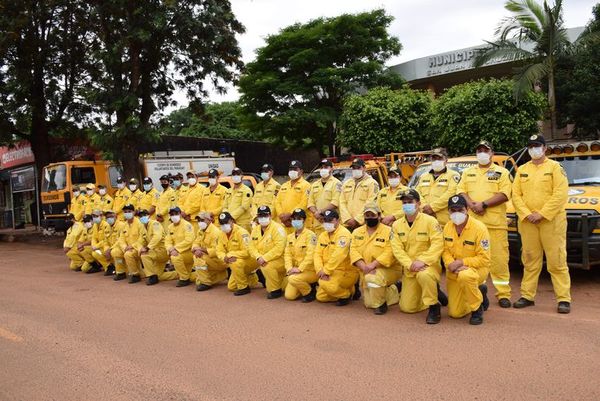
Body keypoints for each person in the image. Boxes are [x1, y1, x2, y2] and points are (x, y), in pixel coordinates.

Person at [512, 134, 571, 313]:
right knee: (529, 260)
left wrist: (543, 214)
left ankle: (563, 299)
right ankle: (527, 296)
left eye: (537, 146)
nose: (534, 149)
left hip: (551, 222)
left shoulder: (555, 168)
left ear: (545, 148)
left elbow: (560, 194)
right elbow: (516, 195)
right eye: (531, 146)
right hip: (528, 222)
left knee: (557, 261)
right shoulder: (522, 169)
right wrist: (527, 214)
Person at [457, 140, 512, 308]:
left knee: (499, 261)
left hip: (494, 224)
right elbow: (460, 191)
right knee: (474, 259)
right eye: (479, 150)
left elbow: (504, 194)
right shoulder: (468, 172)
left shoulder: (501, 172)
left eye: (485, 150)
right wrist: (472, 204)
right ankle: (479, 288)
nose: (481, 153)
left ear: (491, 153)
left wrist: (484, 204)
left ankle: (503, 294)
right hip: (472, 225)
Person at [391, 189, 445, 324]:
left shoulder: (430, 221)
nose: (407, 205)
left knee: (424, 275)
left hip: (428, 267)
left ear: (418, 203)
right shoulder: (397, 225)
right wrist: (410, 264)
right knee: (407, 308)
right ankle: (434, 290)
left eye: (410, 202)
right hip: (410, 269)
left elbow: (438, 244)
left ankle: (434, 306)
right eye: (404, 202)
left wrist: (423, 261)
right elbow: (397, 249)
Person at [442, 195, 491, 325]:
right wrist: (450, 264)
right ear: (448, 211)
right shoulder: (447, 227)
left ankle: (477, 308)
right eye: (453, 210)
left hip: (477, 269)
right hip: (454, 270)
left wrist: (461, 263)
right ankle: (479, 291)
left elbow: (484, 259)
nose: (457, 213)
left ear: (467, 209)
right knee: (455, 313)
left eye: (460, 210)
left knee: (465, 276)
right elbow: (445, 250)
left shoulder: (479, 228)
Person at [350, 202, 401, 315]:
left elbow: (390, 252)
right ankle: (394, 289)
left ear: (379, 216)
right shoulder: (356, 232)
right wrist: (364, 266)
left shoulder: (389, 231)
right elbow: (353, 251)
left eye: (373, 215)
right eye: (367, 216)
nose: (370, 218)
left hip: (388, 269)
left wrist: (373, 265)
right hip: (366, 270)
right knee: (368, 303)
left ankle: (381, 304)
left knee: (373, 281)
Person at [314, 210, 358, 306]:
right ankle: (348, 290)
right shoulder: (323, 235)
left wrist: (326, 271)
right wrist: (319, 270)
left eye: (330, 220)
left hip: (345, 272)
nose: (327, 223)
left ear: (338, 220)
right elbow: (317, 254)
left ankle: (345, 295)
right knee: (320, 297)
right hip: (330, 271)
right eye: (325, 220)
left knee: (326, 285)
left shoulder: (344, 234)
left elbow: (339, 255)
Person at [216, 212, 259, 296]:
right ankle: (252, 276)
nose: (224, 225)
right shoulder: (221, 234)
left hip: (250, 260)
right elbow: (219, 250)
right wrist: (224, 257)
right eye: (222, 223)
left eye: (226, 222)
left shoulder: (242, 232)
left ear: (232, 221)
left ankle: (244, 287)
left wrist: (231, 254)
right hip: (236, 261)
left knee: (234, 262)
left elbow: (247, 252)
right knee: (231, 287)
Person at [249, 206, 287, 299]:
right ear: (257, 217)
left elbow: (279, 248)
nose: (263, 218)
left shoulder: (277, 228)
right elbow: (251, 247)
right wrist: (258, 257)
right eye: (260, 216)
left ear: (270, 215)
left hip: (279, 259)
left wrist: (264, 258)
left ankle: (275, 290)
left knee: (267, 266)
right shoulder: (255, 229)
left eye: (265, 215)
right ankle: (274, 283)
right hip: (261, 259)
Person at [415, 147, 460, 226]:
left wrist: (432, 208)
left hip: (444, 222)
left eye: (439, 158)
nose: (436, 161)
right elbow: (417, 193)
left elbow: (451, 194)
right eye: (434, 158)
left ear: (446, 160)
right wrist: (424, 207)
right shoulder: (423, 176)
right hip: (424, 218)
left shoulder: (453, 175)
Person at [284, 209, 318, 302]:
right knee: (289, 296)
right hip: (295, 271)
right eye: (294, 218)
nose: (296, 221)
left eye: (299, 218)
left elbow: (310, 255)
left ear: (304, 220)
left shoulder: (311, 235)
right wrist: (289, 268)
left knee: (293, 280)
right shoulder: (290, 237)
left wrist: (300, 269)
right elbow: (287, 254)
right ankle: (303, 285)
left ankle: (309, 292)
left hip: (309, 270)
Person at [191, 212, 228, 291]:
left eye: (202, 220)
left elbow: (217, 251)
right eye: (198, 220)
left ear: (208, 220)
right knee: (195, 279)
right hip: (209, 259)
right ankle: (224, 275)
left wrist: (201, 250)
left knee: (197, 257)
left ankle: (206, 283)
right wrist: (195, 248)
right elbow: (195, 242)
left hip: (218, 260)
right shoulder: (200, 230)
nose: (200, 222)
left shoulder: (215, 232)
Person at [138, 209, 176, 285]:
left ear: (148, 216)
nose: (142, 217)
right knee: (159, 276)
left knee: (145, 255)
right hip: (155, 253)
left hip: (163, 251)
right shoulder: (143, 227)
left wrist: (147, 248)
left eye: (144, 215)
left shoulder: (155, 224)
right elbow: (140, 240)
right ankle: (179, 273)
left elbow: (157, 236)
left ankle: (151, 276)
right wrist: (140, 248)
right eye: (140, 216)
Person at [339, 158, 379, 230]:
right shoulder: (347, 183)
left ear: (364, 168)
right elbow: (342, 202)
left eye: (358, 168)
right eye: (354, 168)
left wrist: (357, 220)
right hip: (346, 224)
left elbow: (371, 203)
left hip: (363, 224)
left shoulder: (372, 183)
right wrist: (347, 219)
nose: (356, 170)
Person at [275, 160, 311, 234]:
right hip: (283, 223)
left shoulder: (306, 185)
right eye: (291, 169)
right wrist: (281, 216)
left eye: (295, 169)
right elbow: (277, 201)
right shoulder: (284, 185)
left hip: (298, 222)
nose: (292, 171)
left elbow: (304, 203)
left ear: (301, 171)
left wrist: (290, 215)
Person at [307, 159, 341, 235]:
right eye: (322, 167)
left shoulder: (337, 183)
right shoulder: (315, 184)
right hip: (318, 223)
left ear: (332, 169)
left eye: (326, 167)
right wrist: (317, 214)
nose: (323, 169)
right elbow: (310, 203)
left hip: (331, 224)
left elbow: (335, 202)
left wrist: (321, 212)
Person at [165, 206, 195, 287]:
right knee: (193, 277)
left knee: (175, 257)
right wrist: (170, 249)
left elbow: (189, 241)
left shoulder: (187, 225)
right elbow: (167, 241)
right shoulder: (170, 227)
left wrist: (176, 248)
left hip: (188, 253)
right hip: (178, 253)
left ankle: (184, 279)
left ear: (180, 214)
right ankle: (186, 276)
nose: (174, 216)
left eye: (176, 213)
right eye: (172, 214)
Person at [117, 204, 146, 283]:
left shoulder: (140, 223)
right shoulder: (124, 225)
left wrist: (132, 246)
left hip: (138, 248)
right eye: (125, 212)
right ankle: (121, 271)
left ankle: (135, 274)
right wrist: (124, 247)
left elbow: (142, 238)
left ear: (133, 212)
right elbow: (121, 239)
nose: (127, 213)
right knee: (116, 253)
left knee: (128, 254)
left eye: (129, 211)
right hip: (127, 248)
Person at [89, 209, 111, 274]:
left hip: (106, 245)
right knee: (95, 253)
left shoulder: (106, 224)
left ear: (101, 216)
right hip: (100, 246)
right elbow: (94, 238)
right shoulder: (95, 225)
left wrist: (97, 246)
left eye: (96, 216)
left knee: (104, 251)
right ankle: (108, 266)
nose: (94, 218)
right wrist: (93, 245)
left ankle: (111, 265)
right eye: (93, 217)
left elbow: (106, 239)